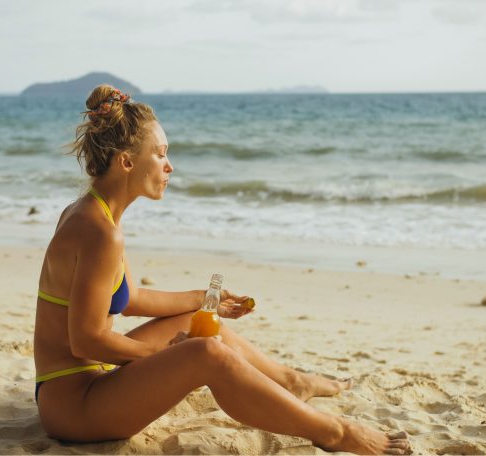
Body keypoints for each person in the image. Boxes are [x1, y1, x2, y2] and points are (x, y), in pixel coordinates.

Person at [32, 84, 412, 455]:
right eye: (160, 154)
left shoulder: (98, 213)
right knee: (206, 354)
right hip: (74, 406)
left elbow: (131, 300)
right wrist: (165, 354)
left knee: (199, 322)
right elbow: (86, 340)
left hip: (83, 385)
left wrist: (204, 300)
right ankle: (336, 433)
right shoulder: (99, 232)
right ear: (127, 162)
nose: (170, 166)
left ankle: (291, 383)